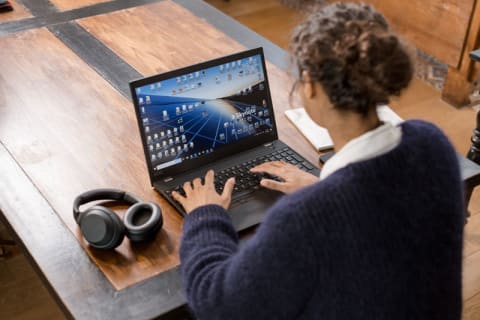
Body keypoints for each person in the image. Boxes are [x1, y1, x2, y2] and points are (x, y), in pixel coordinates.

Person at [172, 3, 464, 319]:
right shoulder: (432, 143)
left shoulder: (305, 218)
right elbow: (382, 219)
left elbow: (219, 304)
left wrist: (205, 215)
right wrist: (324, 186)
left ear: (310, 85)